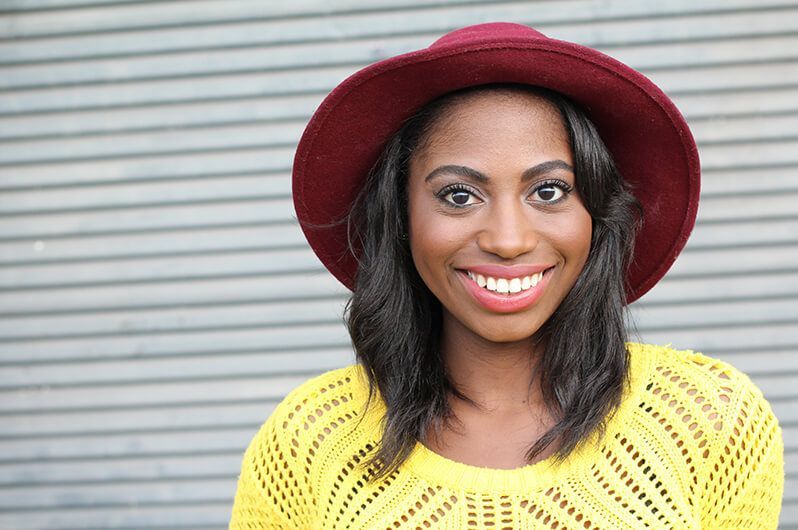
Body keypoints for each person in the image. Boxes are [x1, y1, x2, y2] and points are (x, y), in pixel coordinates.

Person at [229, 23, 784, 529]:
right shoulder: (307, 442)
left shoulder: (710, 420)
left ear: (598, 214)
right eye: (459, 195)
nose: (508, 239)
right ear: (400, 219)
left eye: (549, 191)